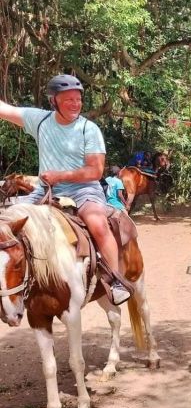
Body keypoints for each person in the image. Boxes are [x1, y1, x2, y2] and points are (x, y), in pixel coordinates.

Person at [0, 74, 131, 305]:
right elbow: (5, 110)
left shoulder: (88, 130)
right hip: (44, 190)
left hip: (84, 191)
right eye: (69, 99)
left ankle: (115, 280)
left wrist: (60, 175)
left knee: (98, 224)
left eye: (78, 99)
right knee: (6, 221)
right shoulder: (39, 120)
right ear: (54, 101)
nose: (75, 104)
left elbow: (96, 171)